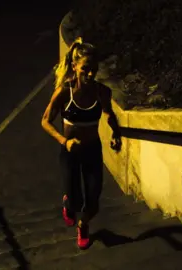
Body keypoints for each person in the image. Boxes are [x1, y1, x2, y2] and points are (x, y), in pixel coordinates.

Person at [41, 37, 122, 250]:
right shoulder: (64, 92)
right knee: (76, 200)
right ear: (75, 66)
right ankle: (69, 203)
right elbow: (45, 121)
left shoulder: (102, 92)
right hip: (70, 153)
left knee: (93, 201)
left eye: (93, 69)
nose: (90, 74)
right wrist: (64, 141)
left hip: (92, 151)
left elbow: (109, 113)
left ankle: (83, 225)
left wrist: (116, 132)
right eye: (85, 68)